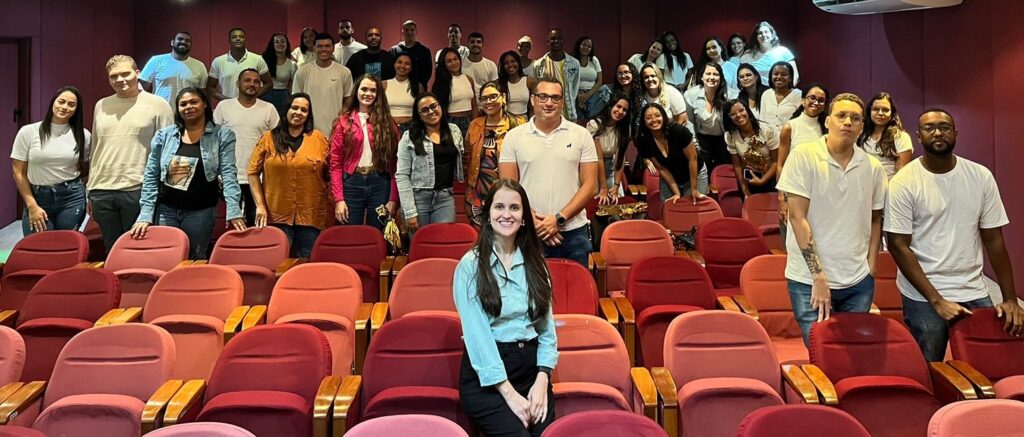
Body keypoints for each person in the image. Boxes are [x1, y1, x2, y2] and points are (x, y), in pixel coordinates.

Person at [886, 108, 1024, 361]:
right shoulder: (903, 182)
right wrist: (936, 300)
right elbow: (898, 245)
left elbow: (994, 240)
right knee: (932, 365)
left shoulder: (980, 176)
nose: (937, 133)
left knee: (989, 362)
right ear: (918, 136)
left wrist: (1010, 298)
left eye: (944, 127)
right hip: (924, 293)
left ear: (955, 133)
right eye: (929, 128)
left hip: (972, 287)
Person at [776, 93, 887, 344]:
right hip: (809, 279)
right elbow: (797, 217)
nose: (848, 122)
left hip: (857, 279)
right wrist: (818, 277)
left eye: (855, 118)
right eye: (841, 115)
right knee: (821, 352)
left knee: (854, 352)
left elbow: (875, 219)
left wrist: (871, 266)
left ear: (862, 126)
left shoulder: (873, 168)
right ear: (827, 121)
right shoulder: (804, 155)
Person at [455, 178, 557, 437]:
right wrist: (510, 394)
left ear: (524, 218)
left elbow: (546, 331)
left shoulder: (537, 263)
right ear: (488, 215)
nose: (507, 214)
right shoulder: (470, 266)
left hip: (532, 373)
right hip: (488, 382)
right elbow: (478, 338)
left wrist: (542, 379)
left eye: (514, 208)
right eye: (499, 207)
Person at [133, 88, 244, 259]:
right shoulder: (164, 135)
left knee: (195, 258)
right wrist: (145, 213)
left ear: (205, 104)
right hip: (166, 210)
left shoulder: (222, 135)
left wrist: (233, 209)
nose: (188, 107)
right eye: (183, 104)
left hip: (201, 211)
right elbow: (151, 175)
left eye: (194, 102)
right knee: (165, 258)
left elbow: (229, 174)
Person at [499, 78, 598, 267]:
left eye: (555, 98)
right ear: (532, 99)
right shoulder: (514, 137)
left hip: (573, 232)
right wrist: (535, 222)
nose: (549, 103)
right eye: (543, 97)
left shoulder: (581, 135)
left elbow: (590, 185)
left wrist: (558, 219)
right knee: (527, 286)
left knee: (575, 285)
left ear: (562, 102)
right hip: (528, 230)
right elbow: (508, 188)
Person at [89, 55, 175, 252]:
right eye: (114, 76)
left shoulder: (158, 104)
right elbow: (96, 147)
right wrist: (90, 189)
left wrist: (160, 189)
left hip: (138, 187)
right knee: (111, 250)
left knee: (138, 249)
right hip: (101, 189)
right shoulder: (101, 105)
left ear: (137, 73)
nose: (120, 79)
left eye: (125, 74)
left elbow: (168, 150)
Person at [247, 93, 331, 258]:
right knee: (277, 261)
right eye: (294, 108)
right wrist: (260, 205)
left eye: (304, 110)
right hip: (276, 214)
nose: (298, 112)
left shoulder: (319, 139)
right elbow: (252, 173)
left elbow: (330, 173)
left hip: (311, 215)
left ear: (308, 115)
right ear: (286, 110)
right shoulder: (268, 138)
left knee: (307, 262)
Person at [12, 86, 90, 235]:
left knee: (66, 243)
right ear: (53, 102)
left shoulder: (83, 135)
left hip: (72, 198)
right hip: (38, 197)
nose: (65, 107)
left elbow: (84, 167)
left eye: (71, 104)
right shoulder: (28, 132)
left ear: (76, 109)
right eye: (61, 101)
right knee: (38, 243)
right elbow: (18, 172)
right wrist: (31, 205)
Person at [329, 75, 400, 231]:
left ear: (378, 94)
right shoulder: (343, 122)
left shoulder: (388, 123)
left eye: (373, 90)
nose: (368, 94)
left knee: (378, 233)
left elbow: (396, 165)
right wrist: (338, 199)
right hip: (351, 183)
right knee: (349, 234)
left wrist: (394, 199)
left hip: (380, 183)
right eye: (364, 89)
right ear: (356, 91)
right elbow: (335, 164)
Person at [214, 68, 280, 227]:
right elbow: (214, 141)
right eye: (247, 80)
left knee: (257, 227)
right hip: (229, 178)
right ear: (238, 84)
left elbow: (278, 142)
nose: (252, 84)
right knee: (232, 228)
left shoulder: (269, 109)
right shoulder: (224, 107)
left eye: (257, 81)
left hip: (259, 178)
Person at [396, 92, 464, 232]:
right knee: (421, 243)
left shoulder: (454, 131)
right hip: (418, 199)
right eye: (425, 110)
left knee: (444, 241)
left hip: (445, 198)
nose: (431, 111)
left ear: (440, 107)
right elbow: (402, 175)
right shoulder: (409, 137)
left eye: (434, 106)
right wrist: (409, 211)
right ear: (419, 115)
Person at [467, 81, 527, 226]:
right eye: (484, 99)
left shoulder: (520, 124)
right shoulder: (475, 125)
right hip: (479, 193)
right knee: (482, 236)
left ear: (503, 97)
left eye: (493, 96)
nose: (488, 101)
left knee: (510, 232)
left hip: (511, 191)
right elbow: (467, 159)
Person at [776, 83, 830, 241]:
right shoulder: (790, 127)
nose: (816, 102)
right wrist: (782, 198)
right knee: (794, 240)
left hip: (820, 193)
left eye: (821, 100)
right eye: (812, 98)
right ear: (803, 100)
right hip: (794, 192)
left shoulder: (827, 129)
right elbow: (781, 165)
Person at [636, 103, 708, 204]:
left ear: (664, 117)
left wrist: (694, 189)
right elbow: (662, 168)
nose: (654, 120)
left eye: (657, 116)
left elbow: (693, 158)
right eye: (648, 118)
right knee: (668, 206)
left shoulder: (678, 131)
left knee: (692, 206)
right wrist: (676, 193)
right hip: (670, 177)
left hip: (694, 174)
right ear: (644, 121)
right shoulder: (643, 140)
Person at [292, 33, 354, 137]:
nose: (324, 49)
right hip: (308, 131)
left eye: (327, 46)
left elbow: (347, 102)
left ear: (333, 48)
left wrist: (342, 125)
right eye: (320, 46)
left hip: (336, 131)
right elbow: (296, 101)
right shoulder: (302, 72)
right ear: (314, 48)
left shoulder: (344, 72)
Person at [684, 62, 735, 171]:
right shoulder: (690, 95)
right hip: (701, 139)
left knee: (723, 171)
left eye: (715, 74)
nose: (711, 77)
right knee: (702, 171)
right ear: (701, 77)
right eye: (708, 74)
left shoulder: (731, 96)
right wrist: (694, 144)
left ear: (721, 78)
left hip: (724, 139)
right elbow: (689, 122)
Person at [723, 99, 779, 197]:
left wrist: (762, 180)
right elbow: (737, 165)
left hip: (771, 178)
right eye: (733, 114)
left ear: (747, 110)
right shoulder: (730, 136)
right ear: (729, 118)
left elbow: (776, 162)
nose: (738, 115)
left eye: (741, 110)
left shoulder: (767, 130)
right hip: (747, 180)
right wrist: (745, 190)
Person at [140, 32, 208, 104]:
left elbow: (203, 93)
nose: (183, 42)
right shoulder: (156, 61)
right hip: (161, 109)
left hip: (188, 109)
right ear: (172, 42)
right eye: (180, 39)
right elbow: (142, 87)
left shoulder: (200, 66)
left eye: (187, 41)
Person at [530, 29, 582, 122]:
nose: (556, 41)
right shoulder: (539, 64)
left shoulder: (574, 63)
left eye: (559, 39)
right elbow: (537, 89)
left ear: (563, 41)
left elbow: (574, 88)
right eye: (553, 39)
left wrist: (569, 100)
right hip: (547, 110)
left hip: (568, 113)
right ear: (548, 42)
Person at [207, 28, 272, 101]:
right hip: (228, 105)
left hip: (252, 104)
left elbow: (269, 83)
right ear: (229, 40)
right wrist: (225, 100)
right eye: (234, 37)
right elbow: (210, 87)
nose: (238, 39)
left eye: (241, 37)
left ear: (245, 40)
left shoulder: (257, 59)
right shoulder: (218, 61)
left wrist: (253, 97)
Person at [859, 92, 913, 179]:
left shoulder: (901, 137)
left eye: (885, 110)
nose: (880, 113)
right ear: (869, 111)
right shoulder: (860, 135)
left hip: (889, 185)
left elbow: (902, 173)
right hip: (862, 184)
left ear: (892, 113)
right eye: (876, 109)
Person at [589, 92, 630, 205]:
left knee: (619, 202)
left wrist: (616, 185)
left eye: (625, 110)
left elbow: (620, 158)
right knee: (598, 203)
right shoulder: (594, 124)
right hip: (593, 168)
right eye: (618, 106)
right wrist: (603, 188)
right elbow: (598, 158)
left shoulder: (623, 128)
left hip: (611, 168)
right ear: (610, 105)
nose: (620, 111)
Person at [433, 47, 477, 138]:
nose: (453, 63)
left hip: (468, 120)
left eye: (455, 59)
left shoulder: (468, 79)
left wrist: (475, 123)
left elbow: (474, 105)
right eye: (449, 61)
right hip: (450, 121)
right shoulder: (441, 82)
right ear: (444, 64)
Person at [740, 21, 799, 86]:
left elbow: (795, 75)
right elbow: (741, 77)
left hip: (781, 90)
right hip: (757, 91)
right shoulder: (748, 54)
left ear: (772, 34)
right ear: (756, 37)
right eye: (760, 33)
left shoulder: (783, 51)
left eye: (766, 32)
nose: (763, 35)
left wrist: (788, 90)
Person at [383, 52, 423, 134]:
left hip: (411, 129)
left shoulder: (418, 86)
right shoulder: (383, 84)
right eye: (399, 62)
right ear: (394, 64)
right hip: (388, 128)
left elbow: (422, 110)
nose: (402, 66)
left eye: (407, 64)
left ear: (411, 68)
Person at [259, 32, 297, 115]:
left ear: (287, 44)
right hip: (265, 94)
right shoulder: (263, 60)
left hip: (282, 97)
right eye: (276, 42)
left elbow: (291, 87)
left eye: (283, 41)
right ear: (272, 45)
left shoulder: (292, 64)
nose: (280, 44)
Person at [390, 20, 432, 92]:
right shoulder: (394, 50)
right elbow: (390, 70)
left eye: (412, 30)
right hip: (398, 87)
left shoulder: (424, 50)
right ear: (403, 32)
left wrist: (420, 86)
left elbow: (427, 72)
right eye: (407, 30)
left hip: (418, 89)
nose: (409, 32)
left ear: (416, 32)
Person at [573, 36, 608, 121]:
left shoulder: (594, 60)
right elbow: (569, 81)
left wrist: (588, 95)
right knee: (580, 118)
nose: (586, 48)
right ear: (579, 45)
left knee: (606, 90)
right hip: (576, 94)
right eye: (584, 45)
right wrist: (579, 96)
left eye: (589, 46)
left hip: (592, 93)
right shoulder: (572, 60)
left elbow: (599, 81)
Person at [759, 62, 802, 130]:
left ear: (790, 78)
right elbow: (762, 121)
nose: (779, 77)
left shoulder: (799, 95)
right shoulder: (766, 94)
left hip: (790, 135)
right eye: (775, 74)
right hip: (768, 136)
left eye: (784, 74)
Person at [497, 51, 536, 117]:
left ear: (518, 62)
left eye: (513, 61)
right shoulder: (499, 83)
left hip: (524, 121)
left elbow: (532, 108)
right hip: (504, 121)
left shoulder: (529, 81)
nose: (510, 65)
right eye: (506, 63)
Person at [610, 63, 645, 136]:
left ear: (633, 74)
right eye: (619, 73)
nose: (623, 76)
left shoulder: (640, 97)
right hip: (613, 133)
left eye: (626, 72)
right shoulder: (610, 94)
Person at [464, 32, 499, 100]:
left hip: (486, 102)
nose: (475, 44)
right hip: (466, 102)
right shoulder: (460, 64)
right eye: (472, 42)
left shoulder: (491, 65)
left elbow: (495, 87)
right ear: (468, 45)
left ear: (483, 45)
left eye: (479, 42)